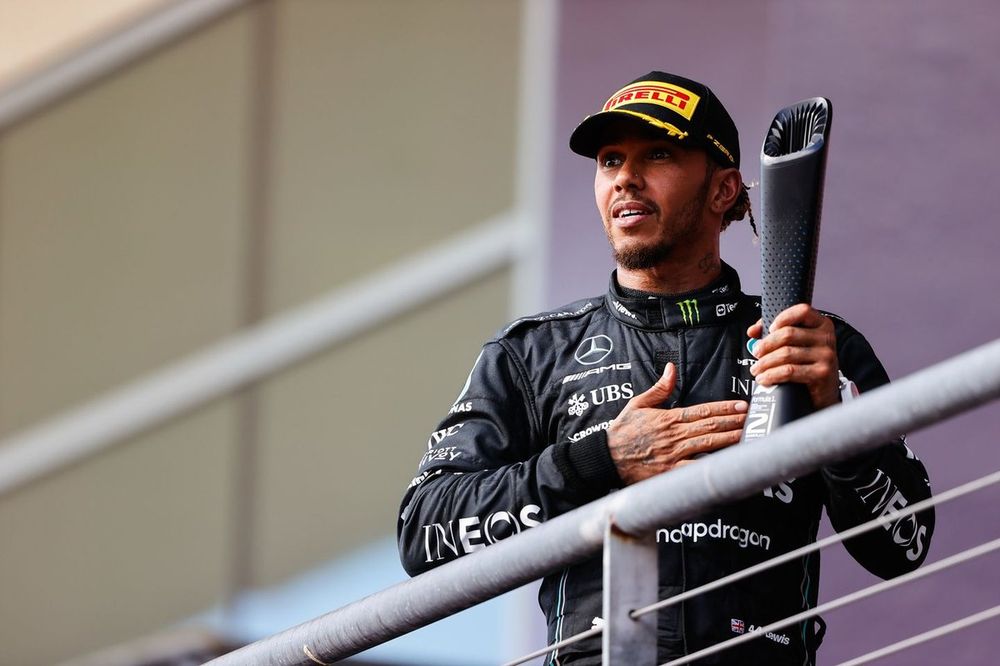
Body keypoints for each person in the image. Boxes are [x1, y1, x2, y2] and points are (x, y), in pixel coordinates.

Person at [397, 71, 934, 665]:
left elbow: (903, 546)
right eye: (609, 160)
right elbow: (425, 533)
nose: (625, 177)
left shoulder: (813, 345)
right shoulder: (531, 353)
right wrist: (599, 461)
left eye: (657, 154)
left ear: (724, 190)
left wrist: (838, 419)